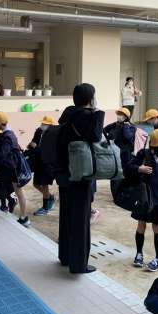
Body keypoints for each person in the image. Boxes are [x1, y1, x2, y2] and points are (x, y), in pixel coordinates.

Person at [57, 83, 104, 274]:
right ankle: (78, 264)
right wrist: (98, 113)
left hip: (64, 173)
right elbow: (96, 136)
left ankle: (65, 256)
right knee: (81, 220)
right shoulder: (87, 116)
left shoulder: (68, 114)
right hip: (80, 175)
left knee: (66, 215)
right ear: (90, 98)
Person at [125, 129, 158, 272]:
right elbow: (129, 167)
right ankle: (139, 253)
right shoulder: (143, 154)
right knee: (141, 224)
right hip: (144, 197)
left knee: (157, 227)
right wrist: (139, 168)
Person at [0, 111, 30, 226]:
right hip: (11, 167)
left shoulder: (7, 136)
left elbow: (1, 154)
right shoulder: (8, 133)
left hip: (11, 168)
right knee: (18, 192)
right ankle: (23, 218)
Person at [27, 116, 56, 216]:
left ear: (50, 125)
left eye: (45, 124)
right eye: (42, 123)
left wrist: (37, 147)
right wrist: (31, 145)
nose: (42, 125)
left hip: (47, 163)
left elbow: (49, 150)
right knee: (36, 184)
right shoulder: (39, 131)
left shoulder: (53, 134)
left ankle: (45, 207)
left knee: (44, 184)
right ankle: (50, 197)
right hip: (38, 161)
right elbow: (34, 142)